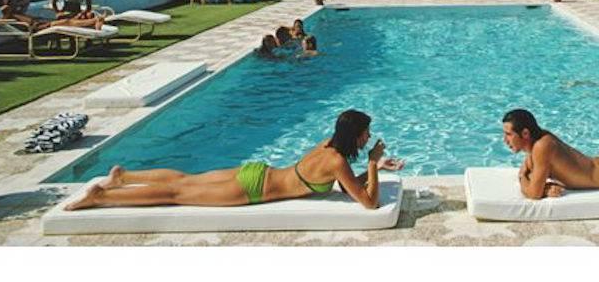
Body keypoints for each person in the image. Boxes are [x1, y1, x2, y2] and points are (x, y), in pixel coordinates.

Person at [64, 109, 404, 211]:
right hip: (252, 189)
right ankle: (102, 196)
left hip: (256, 171)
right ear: (355, 134)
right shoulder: (336, 162)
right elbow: (368, 203)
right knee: (176, 195)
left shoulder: (329, 146)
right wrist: (373, 164)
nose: (368, 138)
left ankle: (123, 176)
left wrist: (371, 168)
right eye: (366, 134)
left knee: (184, 180)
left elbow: (347, 187)